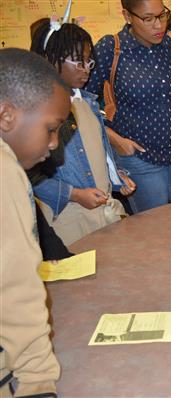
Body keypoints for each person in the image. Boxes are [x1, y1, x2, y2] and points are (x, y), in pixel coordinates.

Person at [86, 0, 171, 213]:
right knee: (153, 228)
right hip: (140, 159)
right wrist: (114, 138)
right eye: (148, 19)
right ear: (127, 16)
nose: (158, 25)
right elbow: (82, 102)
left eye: (162, 15)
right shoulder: (112, 48)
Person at [0, 48, 71, 397]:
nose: (54, 144)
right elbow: (16, 287)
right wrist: (37, 381)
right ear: (7, 116)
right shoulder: (5, 172)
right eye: (51, 129)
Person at [30, 21, 137, 245]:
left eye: (89, 61)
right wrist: (75, 194)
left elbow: (98, 155)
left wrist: (117, 177)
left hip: (101, 213)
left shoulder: (87, 102)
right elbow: (31, 178)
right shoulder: (37, 111)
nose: (86, 68)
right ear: (50, 58)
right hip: (68, 218)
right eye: (78, 62)